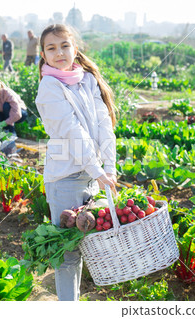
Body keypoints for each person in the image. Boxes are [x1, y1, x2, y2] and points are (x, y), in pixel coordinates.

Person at [35, 24, 117, 301]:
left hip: (90, 176)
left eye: (64, 46)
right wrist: (98, 169)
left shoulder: (87, 80)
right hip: (66, 178)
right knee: (68, 256)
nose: (59, 52)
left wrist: (109, 169)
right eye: (51, 48)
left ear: (75, 49)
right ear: (43, 55)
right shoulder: (49, 86)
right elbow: (72, 131)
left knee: (83, 248)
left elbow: (104, 124)